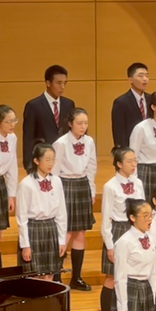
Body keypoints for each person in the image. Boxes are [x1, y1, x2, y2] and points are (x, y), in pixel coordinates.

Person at [101, 147, 145, 311]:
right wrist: (110, 245)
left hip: (135, 230)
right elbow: (105, 219)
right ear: (119, 164)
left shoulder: (138, 182)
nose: (134, 164)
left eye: (135, 160)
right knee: (112, 277)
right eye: (129, 161)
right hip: (118, 231)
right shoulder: (110, 186)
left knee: (131, 275)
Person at [52, 108, 96, 291]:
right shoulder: (60, 143)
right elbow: (54, 171)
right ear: (70, 124)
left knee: (80, 233)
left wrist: (91, 190)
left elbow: (92, 166)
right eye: (79, 123)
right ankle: (55, 277)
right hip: (65, 185)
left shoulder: (90, 141)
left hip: (82, 185)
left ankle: (76, 277)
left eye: (85, 123)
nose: (83, 127)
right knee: (66, 232)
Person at [16, 143, 67, 281]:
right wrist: (25, 245)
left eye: (53, 159)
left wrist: (62, 240)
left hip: (51, 228)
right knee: (35, 275)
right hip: (34, 229)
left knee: (50, 273)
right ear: (36, 161)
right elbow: (21, 217)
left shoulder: (57, 181)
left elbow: (61, 213)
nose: (51, 163)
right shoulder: (26, 184)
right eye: (47, 159)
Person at [21, 64, 75, 166]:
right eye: (59, 83)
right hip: (42, 159)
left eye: (65, 83)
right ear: (48, 83)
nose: (62, 87)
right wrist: (28, 163)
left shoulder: (69, 104)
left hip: (65, 159)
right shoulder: (33, 105)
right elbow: (28, 136)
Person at [0, 105, 18, 269]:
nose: (13, 124)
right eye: (9, 121)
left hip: (0, 184)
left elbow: (12, 167)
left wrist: (11, 194)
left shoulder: (12, 138)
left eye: (14, 120)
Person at [111, 63, 151, 150]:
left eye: (146, 76)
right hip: (131, 149)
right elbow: (119, 132)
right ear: (130, 80)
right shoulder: (121, 102)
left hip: (150, 149)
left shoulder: (152, 99)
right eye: (140, 76)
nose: (145, 79)